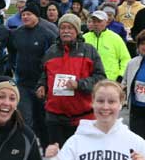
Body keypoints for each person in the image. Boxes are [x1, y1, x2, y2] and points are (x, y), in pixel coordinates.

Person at [37, 14, 107, 147]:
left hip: (83, 118)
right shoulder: (51, 51)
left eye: (70, 28)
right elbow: (44, 75)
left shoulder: (89, 51)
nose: (66, 31)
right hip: (55, 117)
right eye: (63, 28)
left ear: (77, 31)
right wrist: (42, 86)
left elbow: (100, 79)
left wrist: (79, 84)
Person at [8, 1, 56, 145]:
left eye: (29, 14)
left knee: (42, 119)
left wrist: (46, 81)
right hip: (22, 83)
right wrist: (13, 66)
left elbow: (52, 59)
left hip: (40, 84)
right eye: (23, 14)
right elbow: (12, 51)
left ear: (36, 16)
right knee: (25, 118)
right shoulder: (17, 33)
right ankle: (28, 148)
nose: (25, 17)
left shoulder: (47, 34)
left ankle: (47, 148)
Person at [83, 10, 131, 82]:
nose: (96, 24)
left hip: (111, 80)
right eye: (94, 21)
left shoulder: (115, 38)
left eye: (99, 21)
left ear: (106, 22)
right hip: (89, 81)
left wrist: (121, 76)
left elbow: (126, 59)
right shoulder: (84, 38)